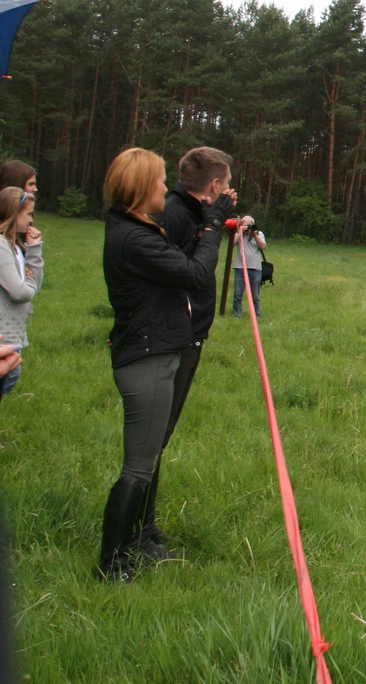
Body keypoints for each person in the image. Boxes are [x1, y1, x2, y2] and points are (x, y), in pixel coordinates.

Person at [98, 148, 233, 581]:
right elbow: (196, 275)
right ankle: (113, 564)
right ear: (141, 188)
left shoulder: (140, 230)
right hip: (147, 356)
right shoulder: (134, 238)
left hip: (153, 349)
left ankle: (136, 540)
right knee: (138, 465)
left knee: (147, 456)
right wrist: (213, 225)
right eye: (157, 181)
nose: (165, 187)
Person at [145, 146, 236, 552]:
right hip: (172, 339)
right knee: (154, 437)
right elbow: (192, 273)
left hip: (188, 335)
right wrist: (213, 225)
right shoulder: (174, 215)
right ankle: (138, 529)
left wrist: (228, 221)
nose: (230, 190)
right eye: (228, 184)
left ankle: (144, 521)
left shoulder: (192, 212)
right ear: (214, 185)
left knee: (160, 434)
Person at [0, 188, 41, 407]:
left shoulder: (14, 246)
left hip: (12, 333)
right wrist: (30, 283)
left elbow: (35, 284)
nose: (32, 220)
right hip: (2, 334)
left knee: (11, 376)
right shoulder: (0, 246)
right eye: (29, 214)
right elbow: (20, 292)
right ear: (15, 214)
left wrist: (34, 250)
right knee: (9, 376)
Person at [231, 216, 267, 318]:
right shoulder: (239, 235)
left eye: (248, 225)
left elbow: (263, 246)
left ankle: (256, 315)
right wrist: (240, 231)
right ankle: (236, 314)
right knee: (238, 294)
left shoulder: (259, 234)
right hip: (240, 267)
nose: (247, 227)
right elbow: (232, 244)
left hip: (255, 268)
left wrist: (254, 235)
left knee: (255, 295)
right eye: (245, 225)